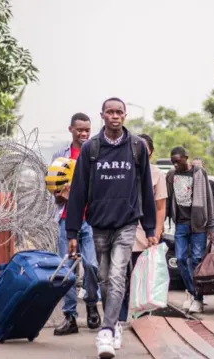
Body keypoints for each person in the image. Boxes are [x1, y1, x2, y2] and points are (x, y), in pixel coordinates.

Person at [65, 97, 157, 358]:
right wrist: (72, 231)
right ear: (102, 115)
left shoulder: (137, 147)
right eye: (110, 112)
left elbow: (146, 191)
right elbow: (78, 191)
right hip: (99, 224)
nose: (114, 116)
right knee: (105, 278)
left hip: (127, 223)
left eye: (119, 112)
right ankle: (114, 322)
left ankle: (105, 331)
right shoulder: (91, 148)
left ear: (125, 116)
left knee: (117, 275)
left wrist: (150, 228)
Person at [50, 112, 101, 336]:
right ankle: (70, 316)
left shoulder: (96, 154)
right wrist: (62, 194)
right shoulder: (60, 156)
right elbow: (54, 192)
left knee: (92, 265)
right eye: (80, 129)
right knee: (68, 271)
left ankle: (91, 303)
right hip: (65, 219)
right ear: (71, 129)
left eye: (87, 130)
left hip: (90, 220)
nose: (83, 133)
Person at [118, 134, 167, 323]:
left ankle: (143, 317)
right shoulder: (123, 170)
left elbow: (160, 207)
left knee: (144, 276)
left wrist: (156, 232)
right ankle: (120, 317)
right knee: (121, 276)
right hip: (122, 230)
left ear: (151, 153)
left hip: (146, 234)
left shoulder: (156, 174)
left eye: (144, 151)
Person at [166, 147, 214, 314]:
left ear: (186, 158)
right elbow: (168, 199)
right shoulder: (172, 175)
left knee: (196, 261)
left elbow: (208, 200)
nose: (175, 164)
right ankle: (193, 292)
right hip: (180, 224)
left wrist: (211, 227)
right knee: (180, 259)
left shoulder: (199, 173)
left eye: (178, 161)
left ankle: (198, 299)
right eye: (173, 161)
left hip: (198, 225)